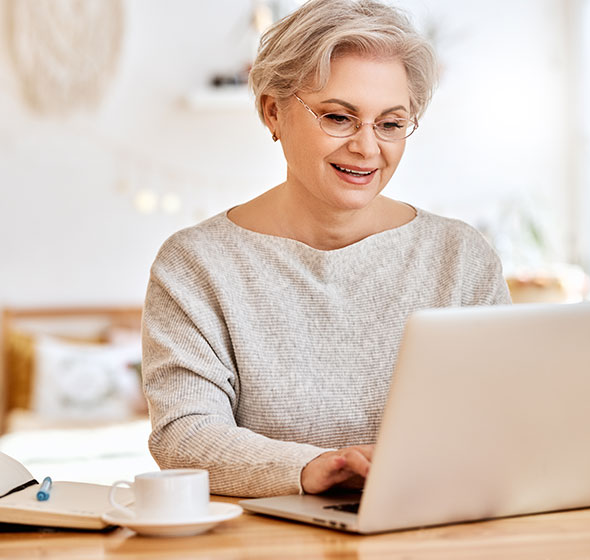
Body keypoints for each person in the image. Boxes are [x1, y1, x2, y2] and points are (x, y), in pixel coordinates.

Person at [141, 0, 511, 498]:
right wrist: (313, 467)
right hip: (265, 540)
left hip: (433, 529)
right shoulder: (197, 264)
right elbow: (184, 435)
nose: (366, 146)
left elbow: (503, 417)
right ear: (274, 112)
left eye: (391, 123)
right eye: (339, 117)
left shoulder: (459, 256)